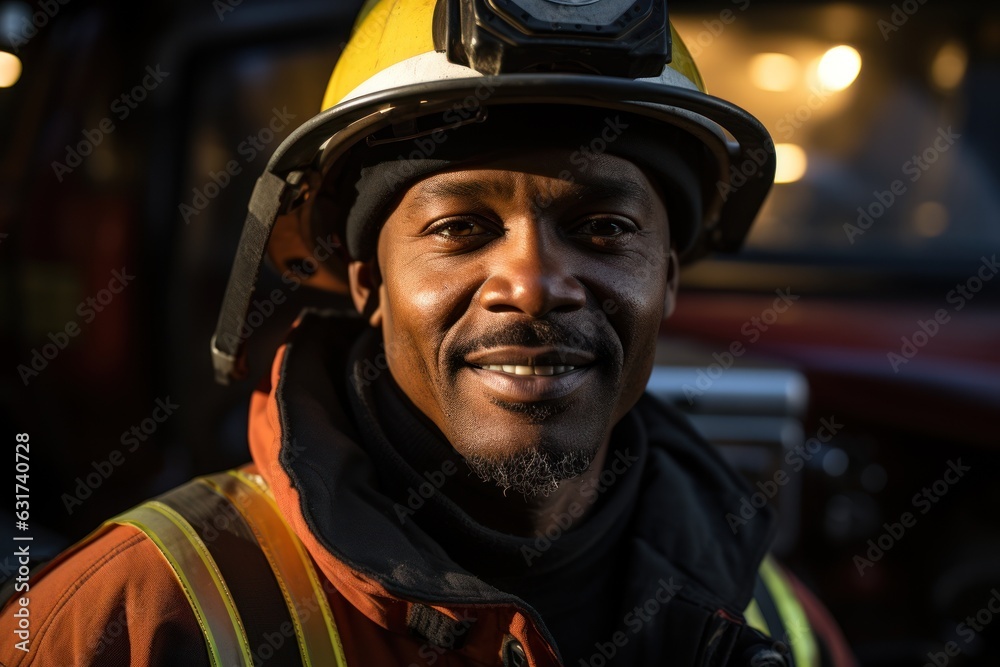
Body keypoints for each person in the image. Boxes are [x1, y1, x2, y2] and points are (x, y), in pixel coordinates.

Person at [1, 0, 856, 664]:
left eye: (602, 228)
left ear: (666, 277)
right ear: (367, 280)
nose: (533, 285)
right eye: (460, 229)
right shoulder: (135, 614)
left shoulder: (773, 622)